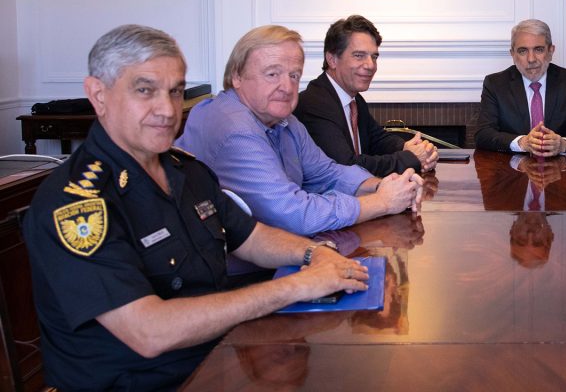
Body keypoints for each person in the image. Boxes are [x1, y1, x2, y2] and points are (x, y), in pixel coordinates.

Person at [23, 25, 371, 391]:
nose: (166, 109)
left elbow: (251, 237)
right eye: (145, 90)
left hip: (214, 357)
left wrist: (313, 253)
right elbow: (149, 332)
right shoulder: (76, 204)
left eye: (175, 91)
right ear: (98, 95)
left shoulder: (186, 171)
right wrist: (295, 287)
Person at [177, 25, 422, 236]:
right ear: (237, 77)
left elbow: (327, 173)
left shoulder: (285, 121)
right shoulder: (234, 127)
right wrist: (381, 202)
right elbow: (293, 214)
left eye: (294, 75)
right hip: (224, 269)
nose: (287, 87)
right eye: (272, 74)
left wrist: (384, 186)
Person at [295, 15, 437, 177]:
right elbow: (347, 166)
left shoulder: (354, 99)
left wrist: (408, 147)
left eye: (374, 57)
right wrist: (411, 158)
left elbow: (377, 139)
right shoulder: (315, 103)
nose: (371, 65)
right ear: (332, 59)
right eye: (359, 55)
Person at [475, 19, 566, 155]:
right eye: (522, 51)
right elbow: (483, 134)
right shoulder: (495, 84)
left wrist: (563, 144)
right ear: (513, 54)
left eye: (538, 50)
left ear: (551, 51)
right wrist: (521, 143)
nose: (531, 59)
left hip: (561, 164)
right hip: (511, 166)